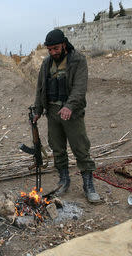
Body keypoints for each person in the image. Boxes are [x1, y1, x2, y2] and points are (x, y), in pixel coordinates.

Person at [33, 28, 101, 203]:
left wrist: (69, 106)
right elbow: (41, 87)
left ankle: (88, 185)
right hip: (53, 113)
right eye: (50, 49)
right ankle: (64, 180)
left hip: (72, 114)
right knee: (57, 149)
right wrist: (38, 110)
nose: (53, 52)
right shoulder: (47, 63)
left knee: (81, 148)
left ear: (64, 44)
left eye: (56, 48)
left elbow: (80, 88)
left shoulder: (78, 60)